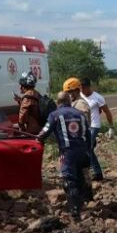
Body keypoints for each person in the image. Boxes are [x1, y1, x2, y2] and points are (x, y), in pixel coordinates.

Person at [37, 91, 90, 221]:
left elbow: (44, 132)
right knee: (80, 178)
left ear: (57, 102)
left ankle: (75, 213)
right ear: (70, 101)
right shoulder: (80, 114)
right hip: (83, 151)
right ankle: (83, 203)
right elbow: (88, 135)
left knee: (69, 181)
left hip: (68, 152)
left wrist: (37, 139)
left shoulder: (55, 115)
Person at [80, 78, 115, 181]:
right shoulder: (80, 96)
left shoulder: (97, 97)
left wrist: (111, 127)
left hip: (94, 125)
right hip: (83, 126)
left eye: (83, 88)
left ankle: (97, 173)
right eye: (80, 88)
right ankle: (92, 171)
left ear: (88, 87)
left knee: (88, 148)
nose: (82, 90)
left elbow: (107, 112)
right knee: (88, 148)